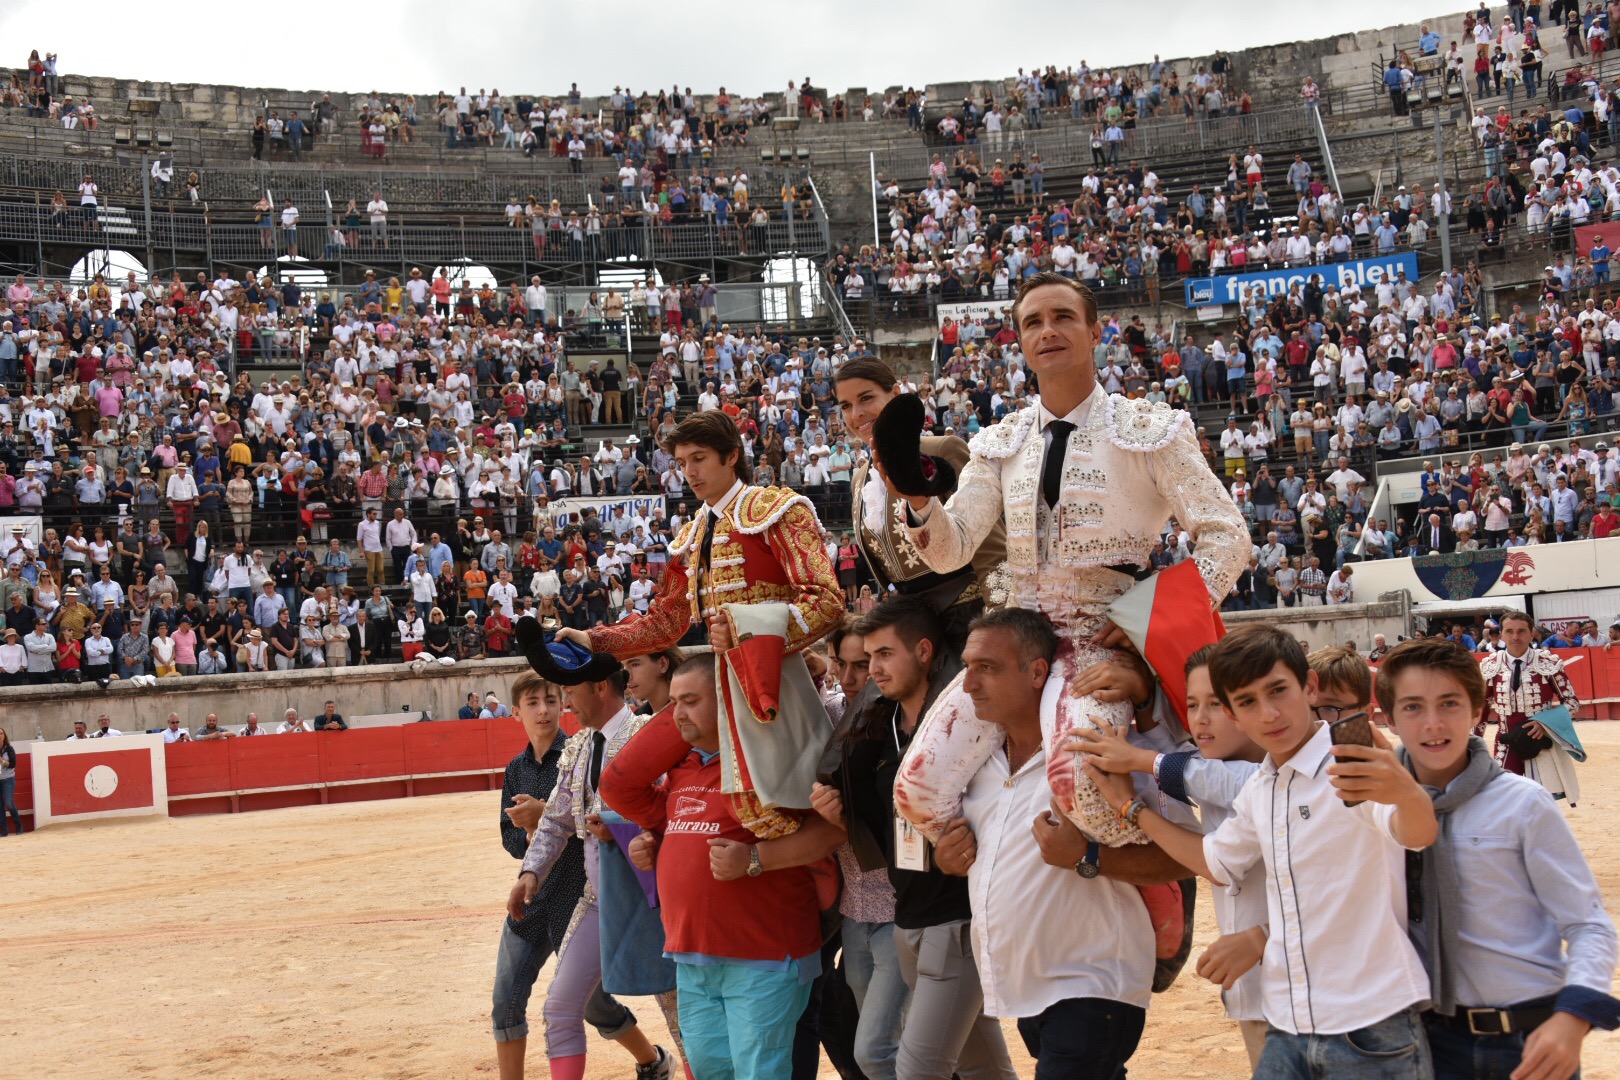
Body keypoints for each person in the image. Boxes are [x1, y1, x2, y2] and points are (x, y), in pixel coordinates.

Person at [882, 274, 1248, 851]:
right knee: (917, 791)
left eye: (1062, 318)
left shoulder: (1148, 430)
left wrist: (1145, 624)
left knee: (1083, 786)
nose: (1047, 331)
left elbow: (1228, 538)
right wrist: (918, 499)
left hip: (1102, 635)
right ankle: (995, 880)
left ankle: (1149, 894)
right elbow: (953, 546)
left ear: (1094, 330)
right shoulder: (998, 441)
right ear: (1020, 341)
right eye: (1033, 322)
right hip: (1013, 639)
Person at [1085, 625, 1439, 1079]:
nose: (1269, 714)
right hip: (1290, 1022)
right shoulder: (1263, 784)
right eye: (1248, 702)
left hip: (1369, 1023)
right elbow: (1216, 860)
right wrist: (1129, 807)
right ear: (1236, 713)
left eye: (1278, 691)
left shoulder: (1347, 760)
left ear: (1308, 688)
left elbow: (1415, 833)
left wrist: (1408, 796)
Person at [552, 410, 843, 840]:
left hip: (769, 683)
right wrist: (594, 638)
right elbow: (667, 622)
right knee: (619, 782)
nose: (688, 472)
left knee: (772, 808)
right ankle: (677, 839)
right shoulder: (692, 533)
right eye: (682, 462)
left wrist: (749, 633)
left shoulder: (778, 511)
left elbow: (828, 600)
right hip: (716, 683)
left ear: (731, 457)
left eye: (699, 459)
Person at [935, 607, 1194, 1078]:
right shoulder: (975, 769)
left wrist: (1088, 857)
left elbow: (1183, 856)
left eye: (987, 668)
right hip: (1027, 990)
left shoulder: (1101, 748)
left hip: (1093, 984)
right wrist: (951, 859)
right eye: (967, 667)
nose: (969, 684)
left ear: (1037, 673)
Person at [1376, 638, 1620, 1080]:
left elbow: (1587, 924)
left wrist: (1573, 1017)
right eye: (1412, 707)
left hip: (1526, 1041)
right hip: (1420, 1044)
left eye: (1449, 703)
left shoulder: (1523, 804)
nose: (1433, 723)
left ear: (1476, 712)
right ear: (1389, 719)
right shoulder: (1373, 809)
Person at [601, 653, 841, 1080]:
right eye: (673, 703)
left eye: (691, 700)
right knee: (712, 1073)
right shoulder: (683, 767)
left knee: (759, 1073)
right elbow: (664, 814)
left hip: (765, 954)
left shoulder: (773, 763)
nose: (677, 715)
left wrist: (752, 858)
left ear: (727, 699)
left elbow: (831, 832)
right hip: (694, 956)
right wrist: (656, 839)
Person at [814, 597, 1016, 1080]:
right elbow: (886, 827)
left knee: (915, 1069)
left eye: (884, 655)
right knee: (983, 1069)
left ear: (924, 652)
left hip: (956, 919)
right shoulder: (880, 731)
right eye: (869, 657)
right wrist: (839, 815)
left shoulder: (968, 726)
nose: (874, 671)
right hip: (908, 916)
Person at [1070, 642, 1271, 1068]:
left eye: (1217, 704)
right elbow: (1179, 755)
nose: (1199, 718)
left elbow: (1198, 775)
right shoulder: (1219, 759)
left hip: (1300, 992)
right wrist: (1143, 699)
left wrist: (1133, 787)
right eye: (1192, 703)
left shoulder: (1265, 777)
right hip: (1258, 991)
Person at [505, 664, 675, 1080]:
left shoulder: (649, 733)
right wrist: (531, 872)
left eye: (569, 691)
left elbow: (673, 811)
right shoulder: (581, 745)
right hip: (599, 898)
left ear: (600, 687)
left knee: (683, 1017)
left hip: (655, 902)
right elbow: (558, 819)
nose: (565, 703)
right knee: (562, 1005)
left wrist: (621, 829)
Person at [834, 357, 1005, 652]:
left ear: (896, 394)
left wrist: (1001, 621)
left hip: (970, 619)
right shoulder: (858, 481)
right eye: (846, 406)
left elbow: (992, 546)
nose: (857, 414)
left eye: (866, 398)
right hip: (911, 631)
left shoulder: (944, 449)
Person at [492, 670, 588, 1080]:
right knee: (505, 1002)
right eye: (532, 703)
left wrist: (545, 815)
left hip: (579, 898)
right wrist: (532, 829)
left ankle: (650, 1060)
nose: (543, 710)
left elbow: (591, 828)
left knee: (597, 1006)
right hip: (533, 899)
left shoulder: (579, 753)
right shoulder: (515, 769)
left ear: (563, 704)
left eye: (550, 700)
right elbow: (510, 840)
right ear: (517, 713)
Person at [1478, 610, 1580, 775]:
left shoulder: (1548, 663)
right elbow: (1479, 708)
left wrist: (1545, 724)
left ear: (1531, 633)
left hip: (1541, 742)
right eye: (1509, 631)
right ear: (1501, 635)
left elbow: (1572, 702)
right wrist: (1473, 746)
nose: (1515, 636)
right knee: (1508, 794)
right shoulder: (1491, 665)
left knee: (1541, 796)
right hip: (1506, 743)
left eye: (1521, 631)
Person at [0, 727, 20, 836]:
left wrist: (2, 761)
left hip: (8, 779)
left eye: (1, 733)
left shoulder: (9, 749)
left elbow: (13, 764)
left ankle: (18, 825)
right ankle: (4, 830)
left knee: (9, 803)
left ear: (4, 736)